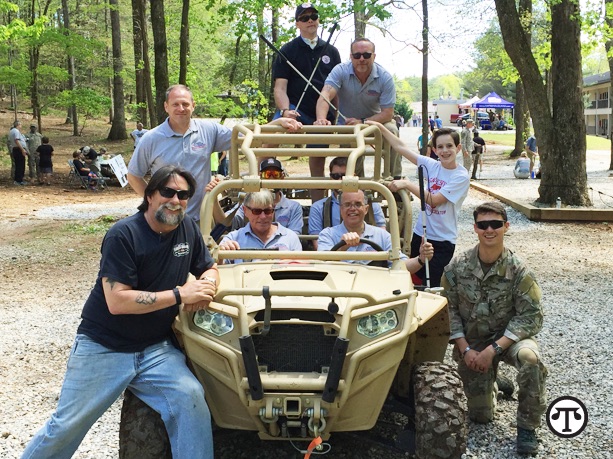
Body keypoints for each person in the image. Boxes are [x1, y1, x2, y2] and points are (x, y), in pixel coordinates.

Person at [21, 166, 219, 459]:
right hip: (104, 346)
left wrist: (208, 285)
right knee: (66, 427)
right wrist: (180, 294)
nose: (175, 200)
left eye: (183, 195)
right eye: (167, 192)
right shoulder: (123, 235)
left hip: (155, 350)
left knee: (189, 399)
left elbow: (209, 267)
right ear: (150, 195)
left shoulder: (186, 228)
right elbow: (118, 301)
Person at [441, 202, 547, 456]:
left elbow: (532, 316)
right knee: (481, 417)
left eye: (496, 224)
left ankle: (527, 429)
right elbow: (447, 310)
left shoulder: (519, 270)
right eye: (483, 224)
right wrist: (465, 349)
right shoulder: (458, 266)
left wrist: (495, 349)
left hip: (509, 342)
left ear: (506, 227)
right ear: (475, 228)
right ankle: (495, 383)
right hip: (473, 345)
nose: (489, 230)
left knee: (531, 360)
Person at [128, 84, 302, 223]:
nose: (181, 108)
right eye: (175, 104)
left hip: (198, 219)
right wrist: (152, 201)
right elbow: (134, 176)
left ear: (193, 106)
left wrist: (277, 123)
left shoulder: (208, 130)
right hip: (164, 218)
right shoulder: (151, 138)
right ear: (166, 107)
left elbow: (247, 136)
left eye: (185, 104)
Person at [369, 123, 470, 287]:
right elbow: (401, 147)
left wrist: (407, 185)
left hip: (443, 239)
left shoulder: (461, 176)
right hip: (421, 233)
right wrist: (380, 127)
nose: (445, 150)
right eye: (440, 147)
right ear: (435, 150)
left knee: (432, 284)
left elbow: (434, 200)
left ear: (458, 148)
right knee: (412, 277)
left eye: (449, 146)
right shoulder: (432, 165)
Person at [272, 2, 341, 201]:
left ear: (318, 20)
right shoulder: (288, 50)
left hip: (322, 114)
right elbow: (280, 88)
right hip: (294, 107)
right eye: (304, 17)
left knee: (317, 165)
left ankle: (318, 212)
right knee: (269, 136)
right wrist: (285, 110)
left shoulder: (332, 51)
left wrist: (336, 115)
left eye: (313, 16)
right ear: (297, 23)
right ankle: (261, 189)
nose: (310, 20)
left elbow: (337, 88)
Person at [314, 38, 402, 178]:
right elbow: (325, 95)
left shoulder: (385, 77)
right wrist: (321, 119)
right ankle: (357, 186)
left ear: (374, 56)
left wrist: (362, 122)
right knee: (350, 152)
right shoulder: (340, 71)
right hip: (348, 125)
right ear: (351, 57)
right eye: (357, 55)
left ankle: (394, 178)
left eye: (366, 55)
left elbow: (387, 114)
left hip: (376, 122)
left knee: (392, 130)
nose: (361, 59)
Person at [317, 190, 433, 273]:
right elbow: (322, 265)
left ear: (366, 209)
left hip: (375, 292)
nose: (352, 208)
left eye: (358, 204)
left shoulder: (382, 235)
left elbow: (401, 266)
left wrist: (421, 258)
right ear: (340, 209)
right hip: (339, 291)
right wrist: (342, 248)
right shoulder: (327, 234)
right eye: (347, 205)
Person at [308, 156, 386, 249]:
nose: (340, 180)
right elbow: (319, 246)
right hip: (335, 257)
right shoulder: (318, 207)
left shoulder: (372, 205)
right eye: (335, 176)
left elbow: (382, 235)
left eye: (344, 176)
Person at [218, 190, 302, 264]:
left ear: (273, 211)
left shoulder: (290, 237)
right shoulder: (232, 239)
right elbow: (218, 269)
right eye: (256, 211)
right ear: (245, 211)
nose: (263, 216)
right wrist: (220, 254)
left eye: (267, 211)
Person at [9, 120, 28, 185]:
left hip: (15, 149)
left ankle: (17, 179)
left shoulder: (11, 131)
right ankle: (19, 180)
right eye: (20, 125)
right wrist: (22, 149)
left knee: (17, 165)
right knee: (21, 165)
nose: (21, 126)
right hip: (18, 150)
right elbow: (16, 140)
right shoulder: (16, 131)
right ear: (18, 125)